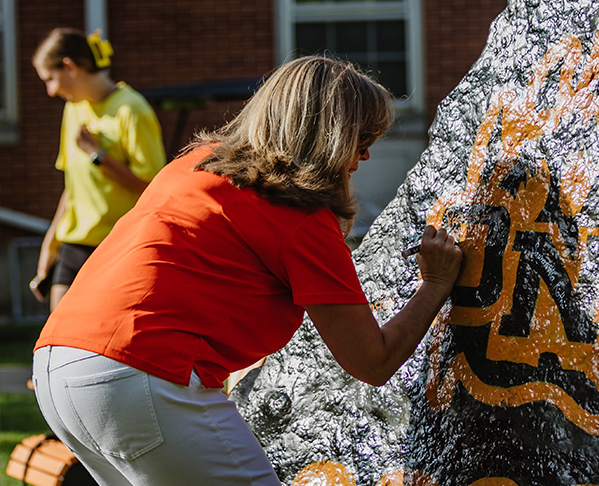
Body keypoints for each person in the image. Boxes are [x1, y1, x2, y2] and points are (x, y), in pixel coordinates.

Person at [31, 56, 463, 486]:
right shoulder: (299, 215)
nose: (366, 154)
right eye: (362, 137)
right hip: (141, 372)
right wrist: (437, 283)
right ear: (326, 135)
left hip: (59, 364)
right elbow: (373, 360)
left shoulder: (194, 165)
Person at [29, 28, 167, 310]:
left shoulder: (131, 109)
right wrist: (50, 246)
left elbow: (153, 189)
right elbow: (72, 188)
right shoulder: (74, 109)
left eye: (51, 79)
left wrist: (98, 156)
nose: (51, 91)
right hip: (74, 245)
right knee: (57, 341)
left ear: (70, 66)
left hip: (117, 245)